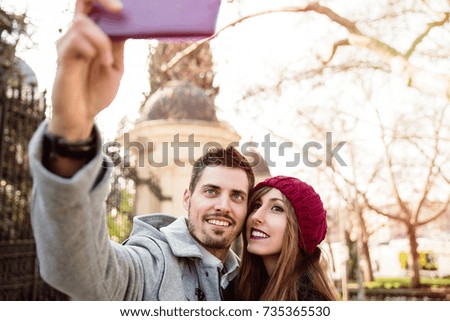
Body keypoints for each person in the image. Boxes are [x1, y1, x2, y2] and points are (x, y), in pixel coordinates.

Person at [28, 0, 255, 300]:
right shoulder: (150, 265)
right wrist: (71, 131)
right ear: (187, 199)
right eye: (211, 191)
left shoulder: (250, 285)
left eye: (237, 196)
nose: (223, 205)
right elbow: (82, 271)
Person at [237, 176, 339, 300]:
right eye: (257, 206)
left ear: (299, 230)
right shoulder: (249, 289)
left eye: (276, 208)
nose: (256, 216)